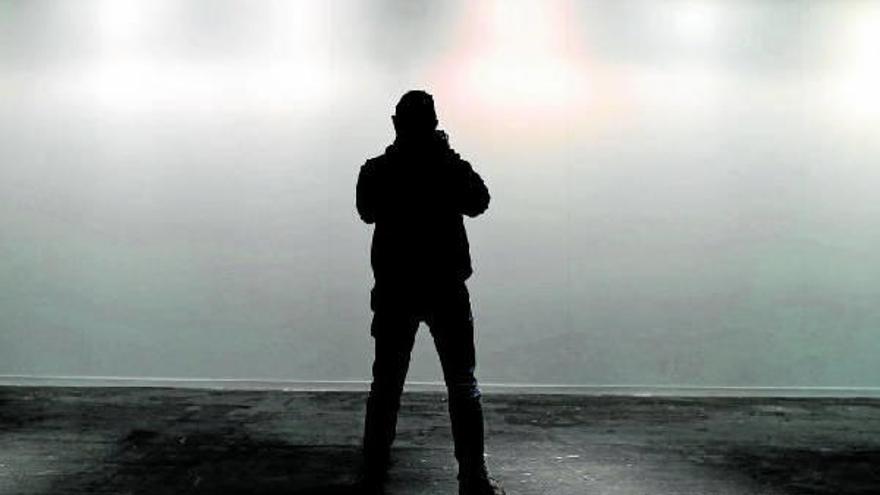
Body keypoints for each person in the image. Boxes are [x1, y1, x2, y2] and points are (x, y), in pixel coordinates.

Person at [356, 90, 505, 495]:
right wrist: (447, 157)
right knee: (461, 383)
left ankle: (372, 474)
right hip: (445, 287)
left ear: (395, 123)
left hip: (395, 289)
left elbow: (366, 210)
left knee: (386, 385)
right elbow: (479, 201)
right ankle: (473, 477)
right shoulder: (448, 168)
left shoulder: (377, 169)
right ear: (435, 124)